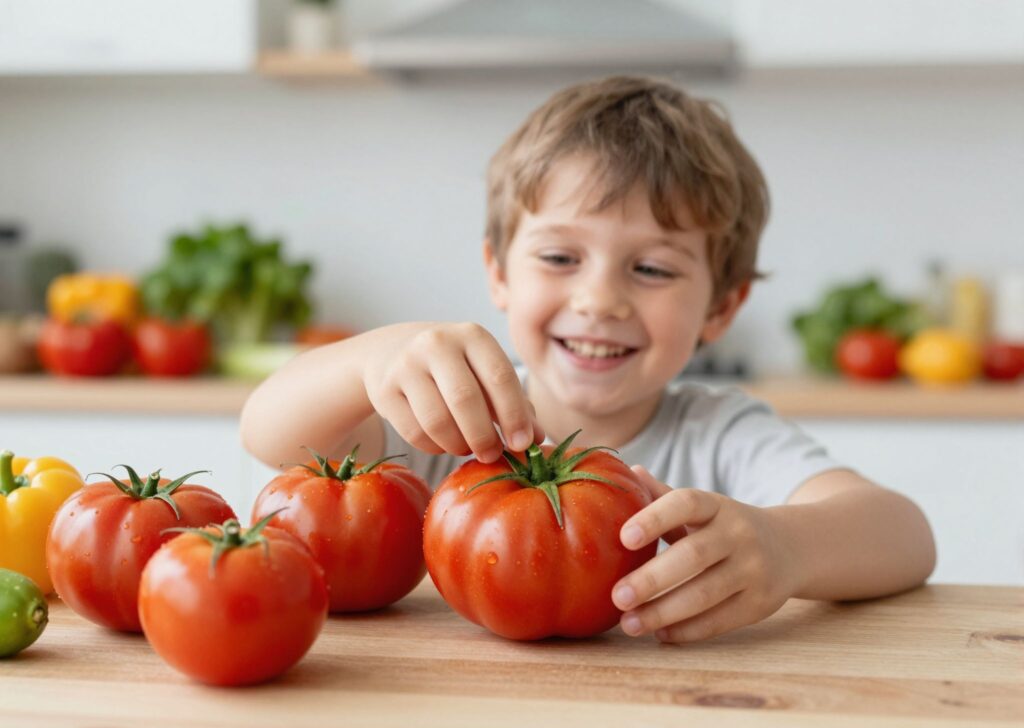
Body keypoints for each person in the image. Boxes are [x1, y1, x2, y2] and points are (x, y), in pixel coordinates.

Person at [241, 75, 936, 643]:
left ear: (722, 307)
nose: (600, 298)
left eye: (654, 269)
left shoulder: (722, 434)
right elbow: (271, 436)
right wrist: (371, 358)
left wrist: (787, 548)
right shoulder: (443, 418)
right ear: (499, 273)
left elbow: (904, 534)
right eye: (559, 257)